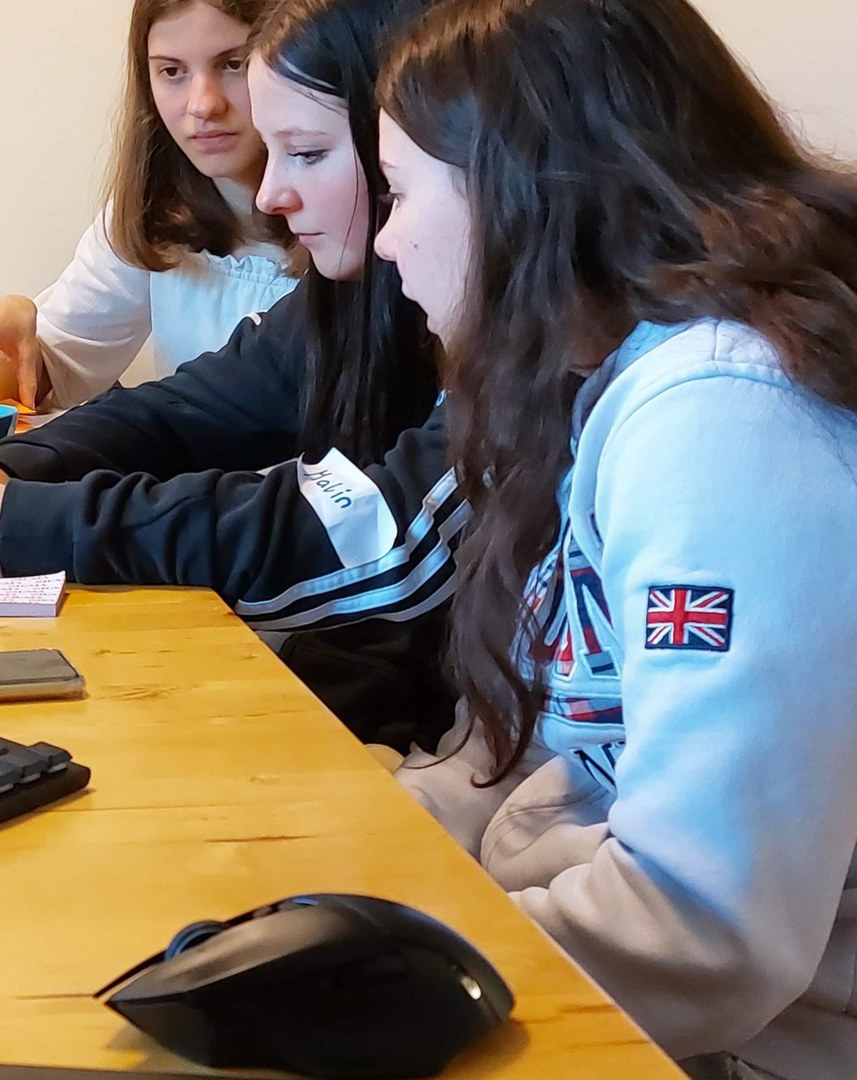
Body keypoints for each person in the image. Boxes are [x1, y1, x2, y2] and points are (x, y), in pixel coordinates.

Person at [372, 0, 857, 1075]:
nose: (383, 238)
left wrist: (377, 992)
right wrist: (351, 844)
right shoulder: (624, 380)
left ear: (518, 191)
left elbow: (701, 934)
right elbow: (564, 745)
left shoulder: (726, 414)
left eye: (399, 191)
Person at [0, 0, 460, 752]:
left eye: (307, 153)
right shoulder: (360, 293)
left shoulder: (537, 354)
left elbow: (352, 533)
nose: (270, 194)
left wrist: (0, 521)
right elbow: (180, 412)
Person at [0, 0, 299, 408]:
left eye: (234, 64)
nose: (203, 104)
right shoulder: (151, 216)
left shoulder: (352, 224)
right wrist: (12, 332)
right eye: (172, 71)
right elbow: (50, 380)